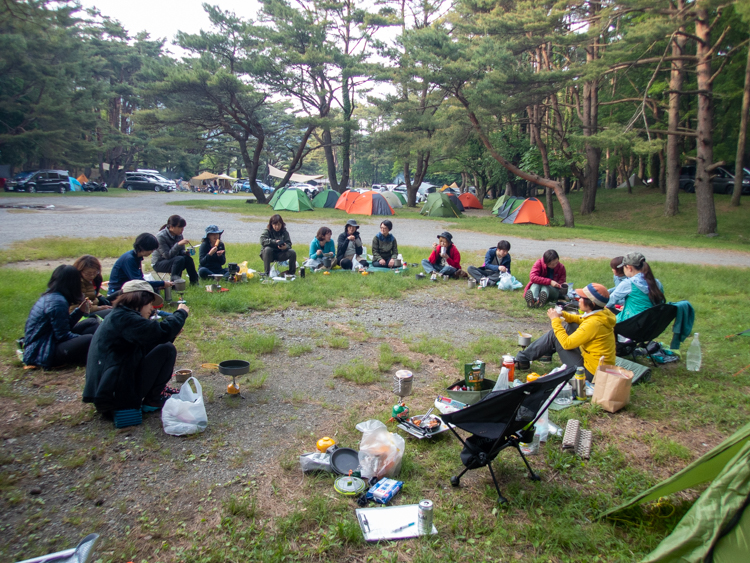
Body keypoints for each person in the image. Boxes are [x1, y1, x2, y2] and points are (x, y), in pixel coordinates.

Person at [83, 280, 189, 418]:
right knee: (167, 349)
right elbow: (161, 332)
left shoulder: (119, 315)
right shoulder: (124, 318)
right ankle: (154, 398)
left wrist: (171, 334)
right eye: (150, 303)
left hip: (109, 391)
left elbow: (149, 342)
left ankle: (155, 394)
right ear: (140, 299)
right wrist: (181, 313)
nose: (151, 308)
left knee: (162, 347)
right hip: (113, 395)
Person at [515, 283, 616, 381]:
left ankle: (522, 359)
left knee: (555, 335)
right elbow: (581, 319)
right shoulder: (603, 313)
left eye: (582, 298)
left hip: (589, 374)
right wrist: (563, 314)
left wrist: (555, 320)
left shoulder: (594, 323)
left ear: (592, 304)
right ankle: (531, 357)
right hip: (598, 369)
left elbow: (567, 344)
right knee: (572, 325)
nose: (579, 300)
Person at [23, 265, 100, 368]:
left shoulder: (54, 296)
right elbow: (63, 336)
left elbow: (64, 326)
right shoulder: (57, 302)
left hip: (49, 340)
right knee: (90, 339)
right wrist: (87, 339)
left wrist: (80, 311)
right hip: (43, 351)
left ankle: (94, 352)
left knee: (91, 323)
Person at [606, 252, 665, 322]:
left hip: (630, 322)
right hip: (651, 322)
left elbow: (609, 302)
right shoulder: (656, 283)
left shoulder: (628, 283)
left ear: (629, 268)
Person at [152, 215, 199, 285]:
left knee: (188, 259)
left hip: (175, 260)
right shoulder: (161, 236)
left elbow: (181, 251)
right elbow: (167, 255)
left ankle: (194, 282)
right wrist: (178, 244)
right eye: (180, 227)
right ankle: (175, 284)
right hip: (159, 263)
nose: (182, 229)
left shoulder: (179, 235)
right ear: (171, 227)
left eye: (183, 227)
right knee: (179, 259)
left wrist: (185, 252)